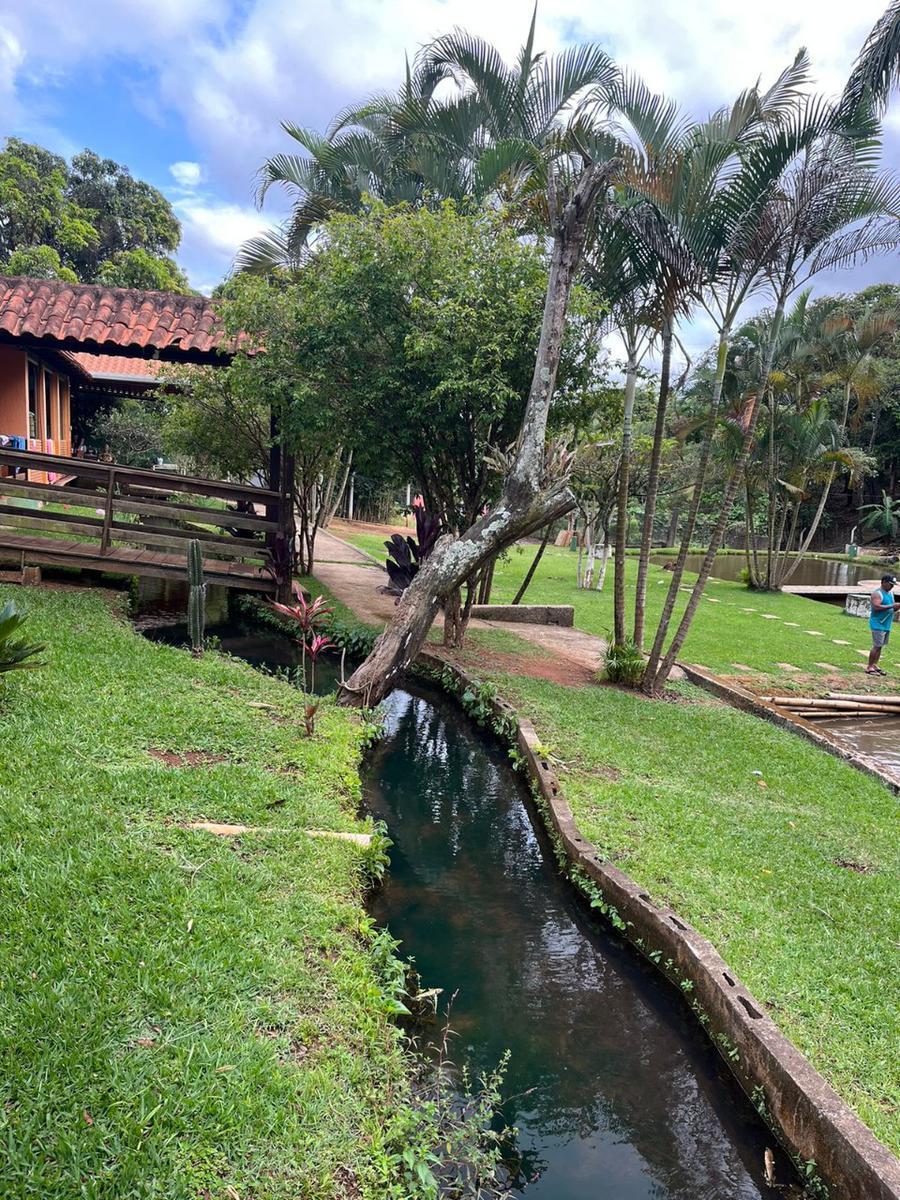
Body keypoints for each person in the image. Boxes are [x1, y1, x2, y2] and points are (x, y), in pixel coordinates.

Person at [867, 573, 899, 676]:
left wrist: (895, 607)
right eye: (890, 584)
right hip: (878, 623)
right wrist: (891, 606)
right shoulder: (877, 594)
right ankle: (869, 666)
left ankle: (875, 664)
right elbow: (876, 607)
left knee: (881, 646)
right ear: (884, 582)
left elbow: (891, 607)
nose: (891, 586)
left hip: (886, 624)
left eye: (893, 584)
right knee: (876, 645)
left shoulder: (890, 593)